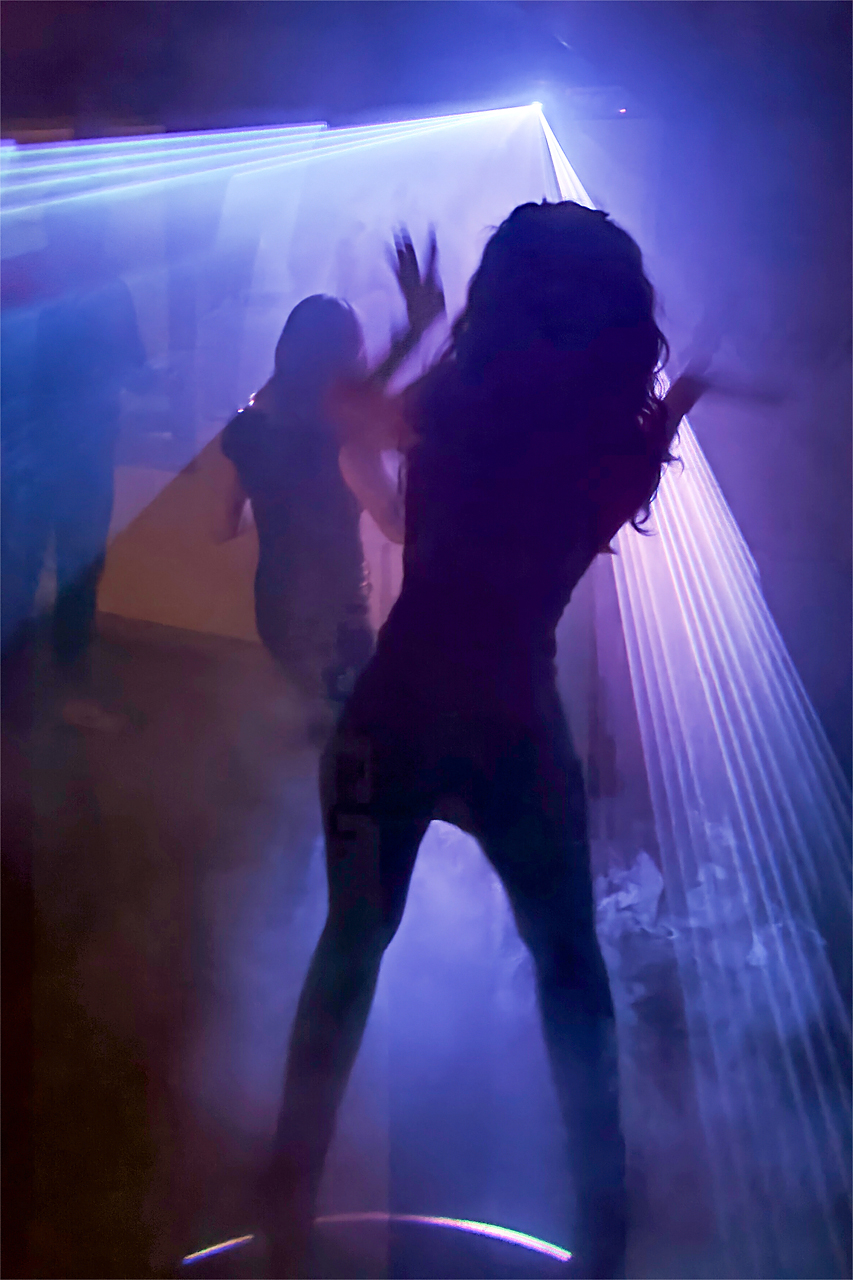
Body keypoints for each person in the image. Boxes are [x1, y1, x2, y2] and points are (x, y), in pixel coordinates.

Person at [260, 204, 709, 1279]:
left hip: (399, 707)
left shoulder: (453, 405)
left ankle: (284, 1207)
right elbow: (621, 468)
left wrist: (418, 322)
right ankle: (604, 1238)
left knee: (349, 950)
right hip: (511, 720)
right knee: (571, 976)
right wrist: (684, 396)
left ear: (495, 300)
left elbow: (342, 414)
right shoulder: (609, 446)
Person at [219, 271, 439, 723]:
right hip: (336, 622)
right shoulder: (345, 442)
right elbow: (399, 529)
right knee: (354, 729)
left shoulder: (245, 427)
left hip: (274, 610)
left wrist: (281, 495)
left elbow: (225, 525)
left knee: (316, 712)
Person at [3, 198, 149, 731]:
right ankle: (63, 693)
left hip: (26, 461)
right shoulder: (105, 288)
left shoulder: (13, 276)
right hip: (72, 461)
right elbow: (134, 370)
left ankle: (19, 697)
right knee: (69, 576)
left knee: (18, 578)